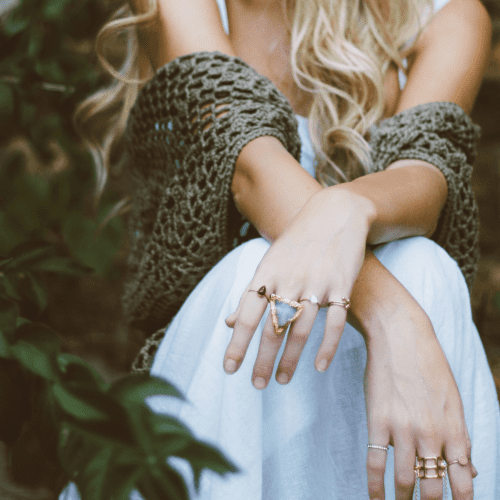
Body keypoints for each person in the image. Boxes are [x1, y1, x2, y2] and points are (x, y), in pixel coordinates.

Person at [61, 0, 500, 499]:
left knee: (424, 264)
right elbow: (250, 167)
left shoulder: (447, 16)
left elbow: (425, 182)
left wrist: (346, 208)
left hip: (354, 382)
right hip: (227, 363)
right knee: (258, 265)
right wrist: (395, 320)